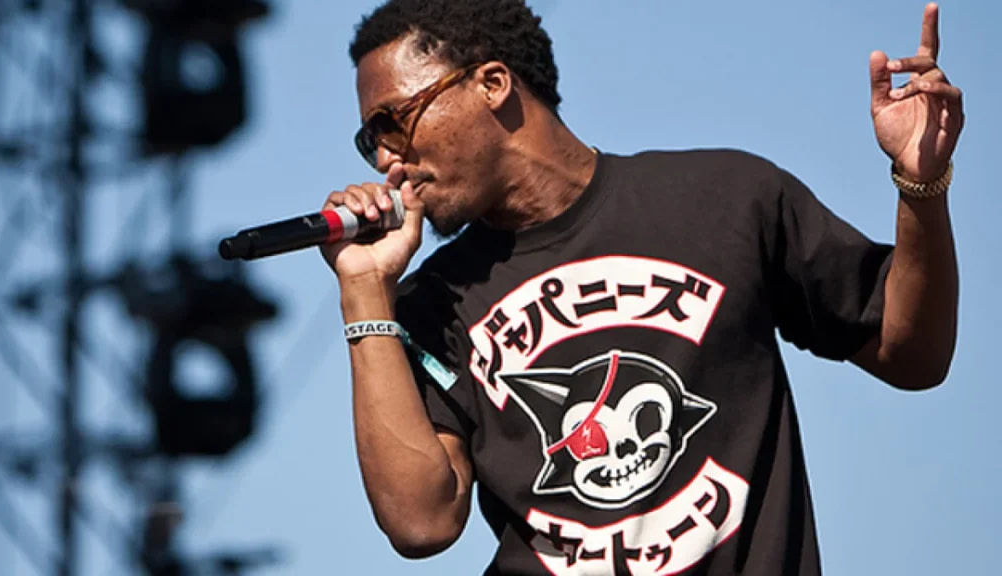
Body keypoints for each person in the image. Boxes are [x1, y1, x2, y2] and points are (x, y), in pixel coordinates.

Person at [320, 1, 962, 574]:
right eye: (369, 140)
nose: (386, 160)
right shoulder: (434, 304)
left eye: (392, 122)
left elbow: (912, 354)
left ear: (492, 84)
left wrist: (922, 188)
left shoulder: (727, 199)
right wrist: (364, 289)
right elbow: (422, 523)